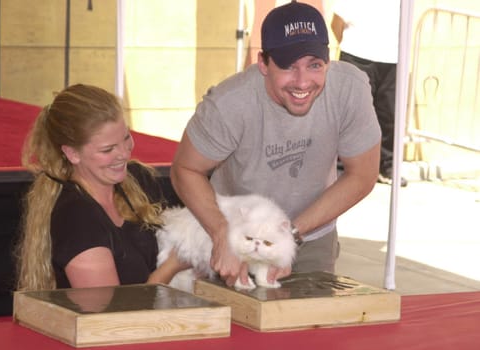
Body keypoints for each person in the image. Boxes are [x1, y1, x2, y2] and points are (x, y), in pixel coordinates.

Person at [170, 1, 381, 288]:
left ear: (328, 61)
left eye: (314, 65)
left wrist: (290, 235)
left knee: (310, 325)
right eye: (288, 66)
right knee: (234, 325)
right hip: (238, 236)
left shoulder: (350, 88)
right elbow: (185, 170)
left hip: (313, 235)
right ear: (263, 63)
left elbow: (363, 175)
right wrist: (222, 234)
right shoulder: (229, 103)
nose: (302, 81)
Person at [15, 83, 187, 291]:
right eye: (108, 149)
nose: (124, 153)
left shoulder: (137, 179)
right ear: (72, 154)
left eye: (126, 138)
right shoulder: (77, 218)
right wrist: (173, 266)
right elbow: (112, 313)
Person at [331, 0, 406, 187]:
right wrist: (353, 46)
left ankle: (386, 167)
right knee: (351, 113)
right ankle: (342, 167)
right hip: (357, 54)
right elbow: (336, 23)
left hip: (392, 58)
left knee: (389, 114)